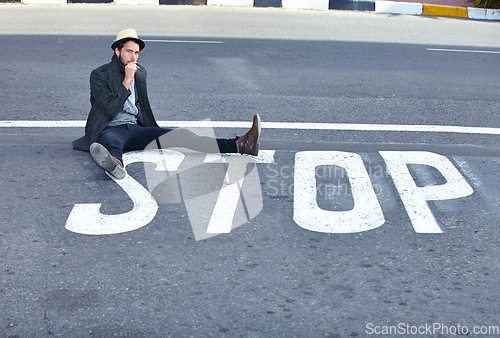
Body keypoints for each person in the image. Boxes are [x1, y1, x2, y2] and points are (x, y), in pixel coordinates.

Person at [73, 28, 261, 179]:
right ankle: (115, 165)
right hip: (109, 127)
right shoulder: (100, 74)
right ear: (117, 51)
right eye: (128, 51)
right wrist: (126, 81)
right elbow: (109, 109)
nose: (133, 57)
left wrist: (153, 130)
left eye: (136, 53)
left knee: (183, 136)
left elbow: (142, 107)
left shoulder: (140, 73)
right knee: (112, 144)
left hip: (135, 129)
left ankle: (241, 145)